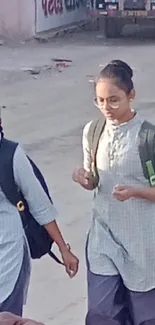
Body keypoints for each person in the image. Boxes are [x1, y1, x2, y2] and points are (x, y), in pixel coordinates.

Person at [73, 60, 155, 325]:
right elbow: (94, 180)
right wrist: (83, 178)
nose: (106, 108)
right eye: (100, 101)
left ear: (131, 95)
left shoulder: (147, 138)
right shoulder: (93, 131)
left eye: (113, 100)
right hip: (104, 237)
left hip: (143, 243)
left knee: (145, 317)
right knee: (101, 313)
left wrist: (136, 192)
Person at [0, 120, 79, 316]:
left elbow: (40, 206)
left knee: (8, 317)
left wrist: (63, 249)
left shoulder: (11, 156)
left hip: (9, 254)